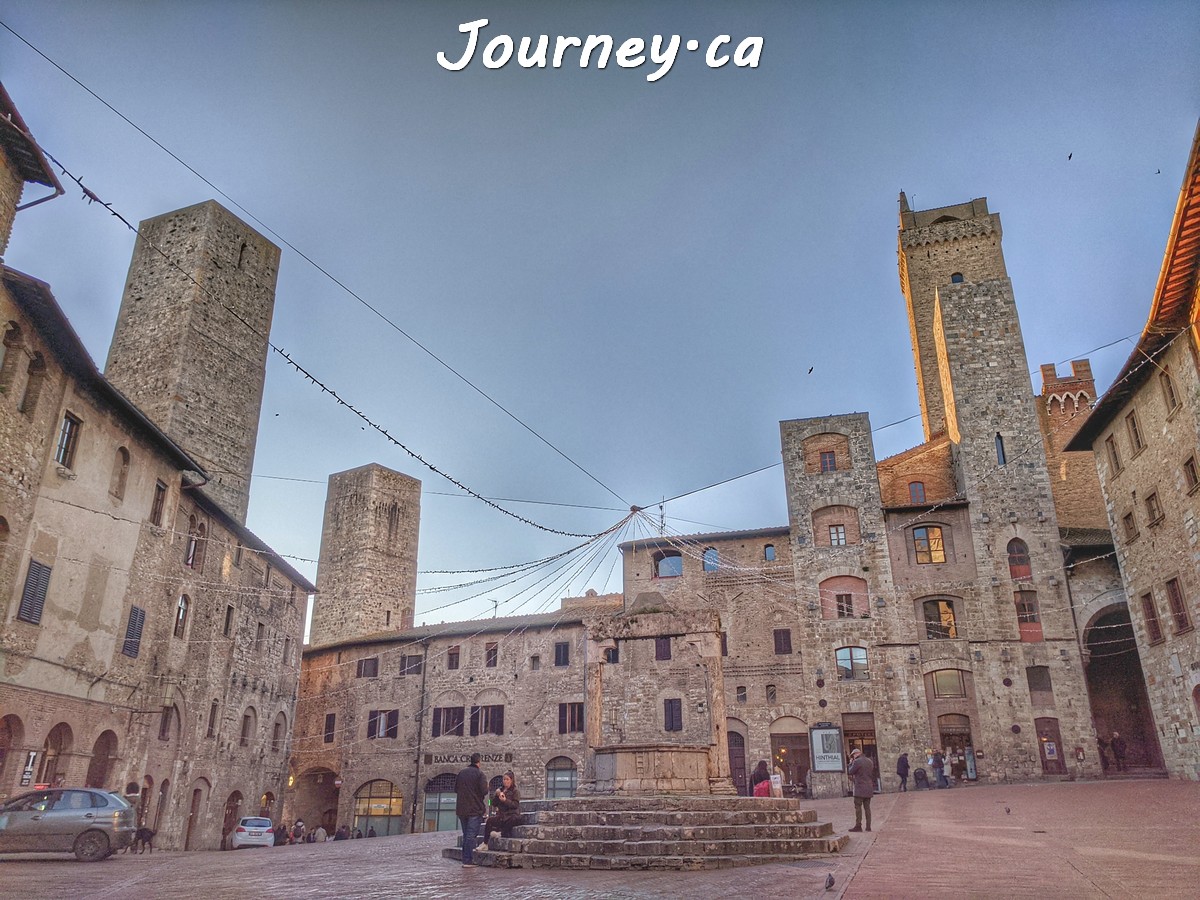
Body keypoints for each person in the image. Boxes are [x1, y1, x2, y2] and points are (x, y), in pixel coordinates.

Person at [455, 751, 488, 868]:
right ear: (479, 762)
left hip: (461, 809)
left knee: (466, 834)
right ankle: (468, 860)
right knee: (471, 835)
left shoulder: (461, 773)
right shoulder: (480, 774)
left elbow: (456, 789)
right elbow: (484, 791)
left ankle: (465, 858)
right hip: (474, 809)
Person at [484, 770, 521, 840]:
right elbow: (492, 803)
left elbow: (515, 805)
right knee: (489, 821)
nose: (505, 781)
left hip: (511, 815)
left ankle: (502, 833)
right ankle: (485, 843)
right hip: (502, 815)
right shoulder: (501, 790)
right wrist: (497, 796)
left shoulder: (515, 791)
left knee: (512, 820)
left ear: (511, 780)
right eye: (504, 779)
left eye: (507, 779)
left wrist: (505, 801)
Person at [847, 748, 875, 833]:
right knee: (867, 808)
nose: (853, 757)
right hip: (869, 787)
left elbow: (850, 771)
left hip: (859, 788)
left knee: (858, 807)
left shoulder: (857, 761)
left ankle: (858, 826)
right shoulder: (869, 761)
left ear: (856, 754)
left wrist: (850, 763)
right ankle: (868, 826)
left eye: (853, 756)